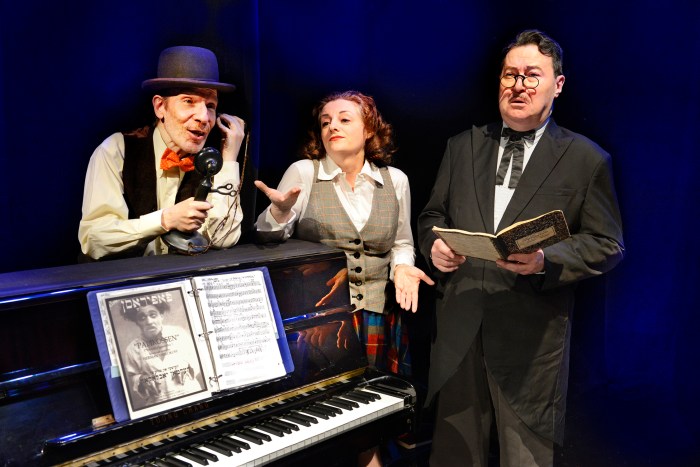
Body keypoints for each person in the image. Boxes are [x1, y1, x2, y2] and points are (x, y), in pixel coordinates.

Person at [417, 30, 625, 467]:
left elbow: (607, 243)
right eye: (511, 74)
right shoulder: (462, 146)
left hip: (531, 340)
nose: (519, 85)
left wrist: (546, 260)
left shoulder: (587, 159)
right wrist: (433, 247)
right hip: (460, 328)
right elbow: (431, 217)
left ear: (558, 84)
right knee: (453, 455)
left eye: (533, 75)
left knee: (524, 460)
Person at [255, 90, 434, 466]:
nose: (332, 125)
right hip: (323, 321)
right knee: (329, 424)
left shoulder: (395, 180)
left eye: (344, 119)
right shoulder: (305, 172)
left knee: (374, 415)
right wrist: (279, 211)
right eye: (325, 121)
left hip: (376, 315)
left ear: (369, 129)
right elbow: (268, 239)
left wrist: (402, 266)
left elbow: (402, 242)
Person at [79, 46, 245, 260]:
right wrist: (165, 220)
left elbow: (223, 238)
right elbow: (94, 239)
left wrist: (229, 159)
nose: (204, 117)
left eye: (210, 105)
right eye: (189, 101)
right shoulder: (116, 150)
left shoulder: (210, 162)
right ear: (160, 107)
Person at [121, 300, 204, 410]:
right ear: (137, 322)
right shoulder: (132, 349)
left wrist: (186, 365)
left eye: (153, 315)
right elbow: (133, 376)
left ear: (161, 316)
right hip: (159, 403)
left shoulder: (179, 333)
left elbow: (197, 358)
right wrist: (141, 379)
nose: (149, 321)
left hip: (190, 396)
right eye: (142, 318)